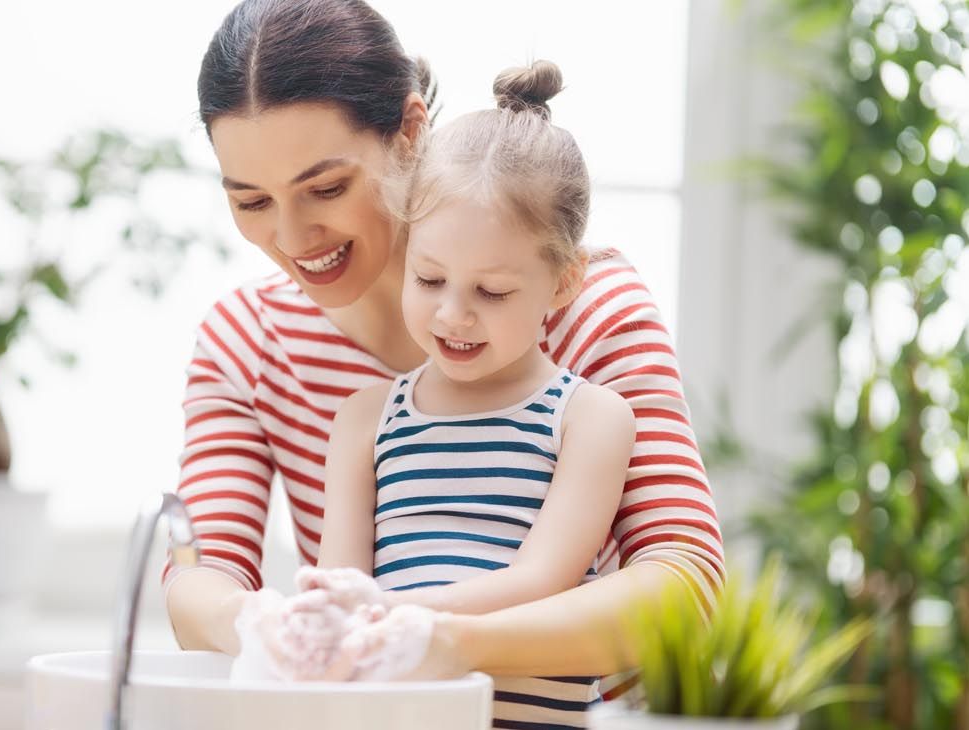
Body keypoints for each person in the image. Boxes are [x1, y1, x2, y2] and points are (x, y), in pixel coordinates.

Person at [166, 0, 723, 692]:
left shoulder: (585, 307)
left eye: (328, 187)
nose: (293, 235)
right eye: (251, 202)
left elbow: (686, 587)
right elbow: (199, 575)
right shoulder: (248, 341)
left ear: (408, 131)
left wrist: (449, 640)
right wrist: (257, 625)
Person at [301, 58, 635, 727]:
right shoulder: (366, 420)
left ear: (565, 283)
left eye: (492, 291)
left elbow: (545, 581)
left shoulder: (589, 418)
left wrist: (403, 615)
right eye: (428, 279)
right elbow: (344, 586)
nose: (453, 314)